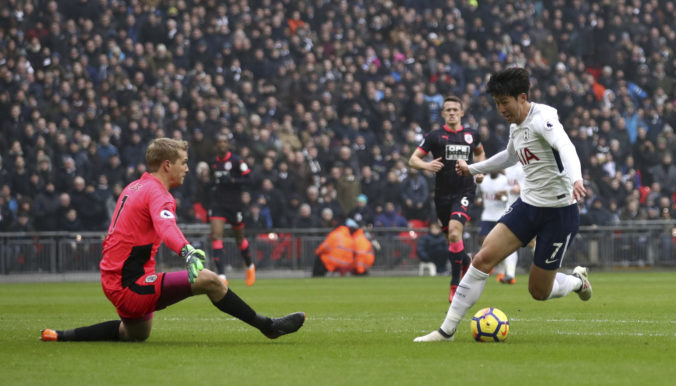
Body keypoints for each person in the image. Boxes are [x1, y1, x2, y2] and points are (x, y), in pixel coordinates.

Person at [41, 138, 304, 342]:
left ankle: (63, 335)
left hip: (115, 279)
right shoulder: (159, 194)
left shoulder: (134, 186)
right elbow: (167, 227)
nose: (188, 169)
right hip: (130, 284)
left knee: (135, 334)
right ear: (167, 164)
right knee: (211, 280)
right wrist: (187, 251)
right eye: (184, 162)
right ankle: (268, 327)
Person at [414, 67, 591, 343]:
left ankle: (578, 281)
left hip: (560, 214)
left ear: (522, 97)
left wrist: (577, 179)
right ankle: (446, 331)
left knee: (539, 292)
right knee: (483, 258)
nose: (500, 109)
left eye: (504, 102)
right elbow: (509, 157)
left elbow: (567, 148)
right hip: (528, 207)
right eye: (496, 103)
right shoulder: (516, 126)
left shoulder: (543, 119)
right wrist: (473, 169)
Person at [408, 95, 486, 303]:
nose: (451, 113)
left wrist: (479, 171)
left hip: (465, 192)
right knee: (453, 240)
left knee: (454, 232)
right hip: (442, 196)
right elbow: (413, 159)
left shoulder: (472, 134)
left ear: (462, 112)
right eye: (448, 110)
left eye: (455, 109)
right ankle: (466, 261)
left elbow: (480, 154)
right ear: (443, 113)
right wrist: (427, 165)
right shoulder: (434, 136)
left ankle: (455, 286)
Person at [208, 135, 256, 286]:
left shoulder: (236, 161)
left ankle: (250, 266)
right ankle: (222, 276)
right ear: (216, 145)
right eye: (219, 142)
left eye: (224, 142)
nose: (222, 145)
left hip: (235, 205)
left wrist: (233, 180)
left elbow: (250, 180)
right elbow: (210, 181)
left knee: (239, 240)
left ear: (228, 145)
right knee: (216, 236)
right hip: (218, 205)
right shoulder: (213, 163)